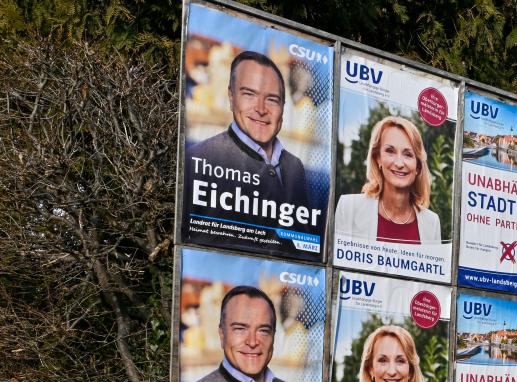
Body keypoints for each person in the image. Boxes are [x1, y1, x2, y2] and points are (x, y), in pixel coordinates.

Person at [185, 51, 314, 229]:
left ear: (283, 107)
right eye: (249, 94)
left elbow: (302, 238)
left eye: (272, 99)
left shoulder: (295, 167)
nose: (261, 109)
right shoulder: (199, 158)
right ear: (231, 97)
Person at [181, 286, 301, 382]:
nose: (252, 341)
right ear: (222, 334)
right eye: (240, 329)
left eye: (263, 330)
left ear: (273, 336)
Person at [334, 116, 442, 244]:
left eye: (408, 154)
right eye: (390, 151)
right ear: (377, 158)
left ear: (418, 165)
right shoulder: (348, 208)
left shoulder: (432, 223)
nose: (399, 163)